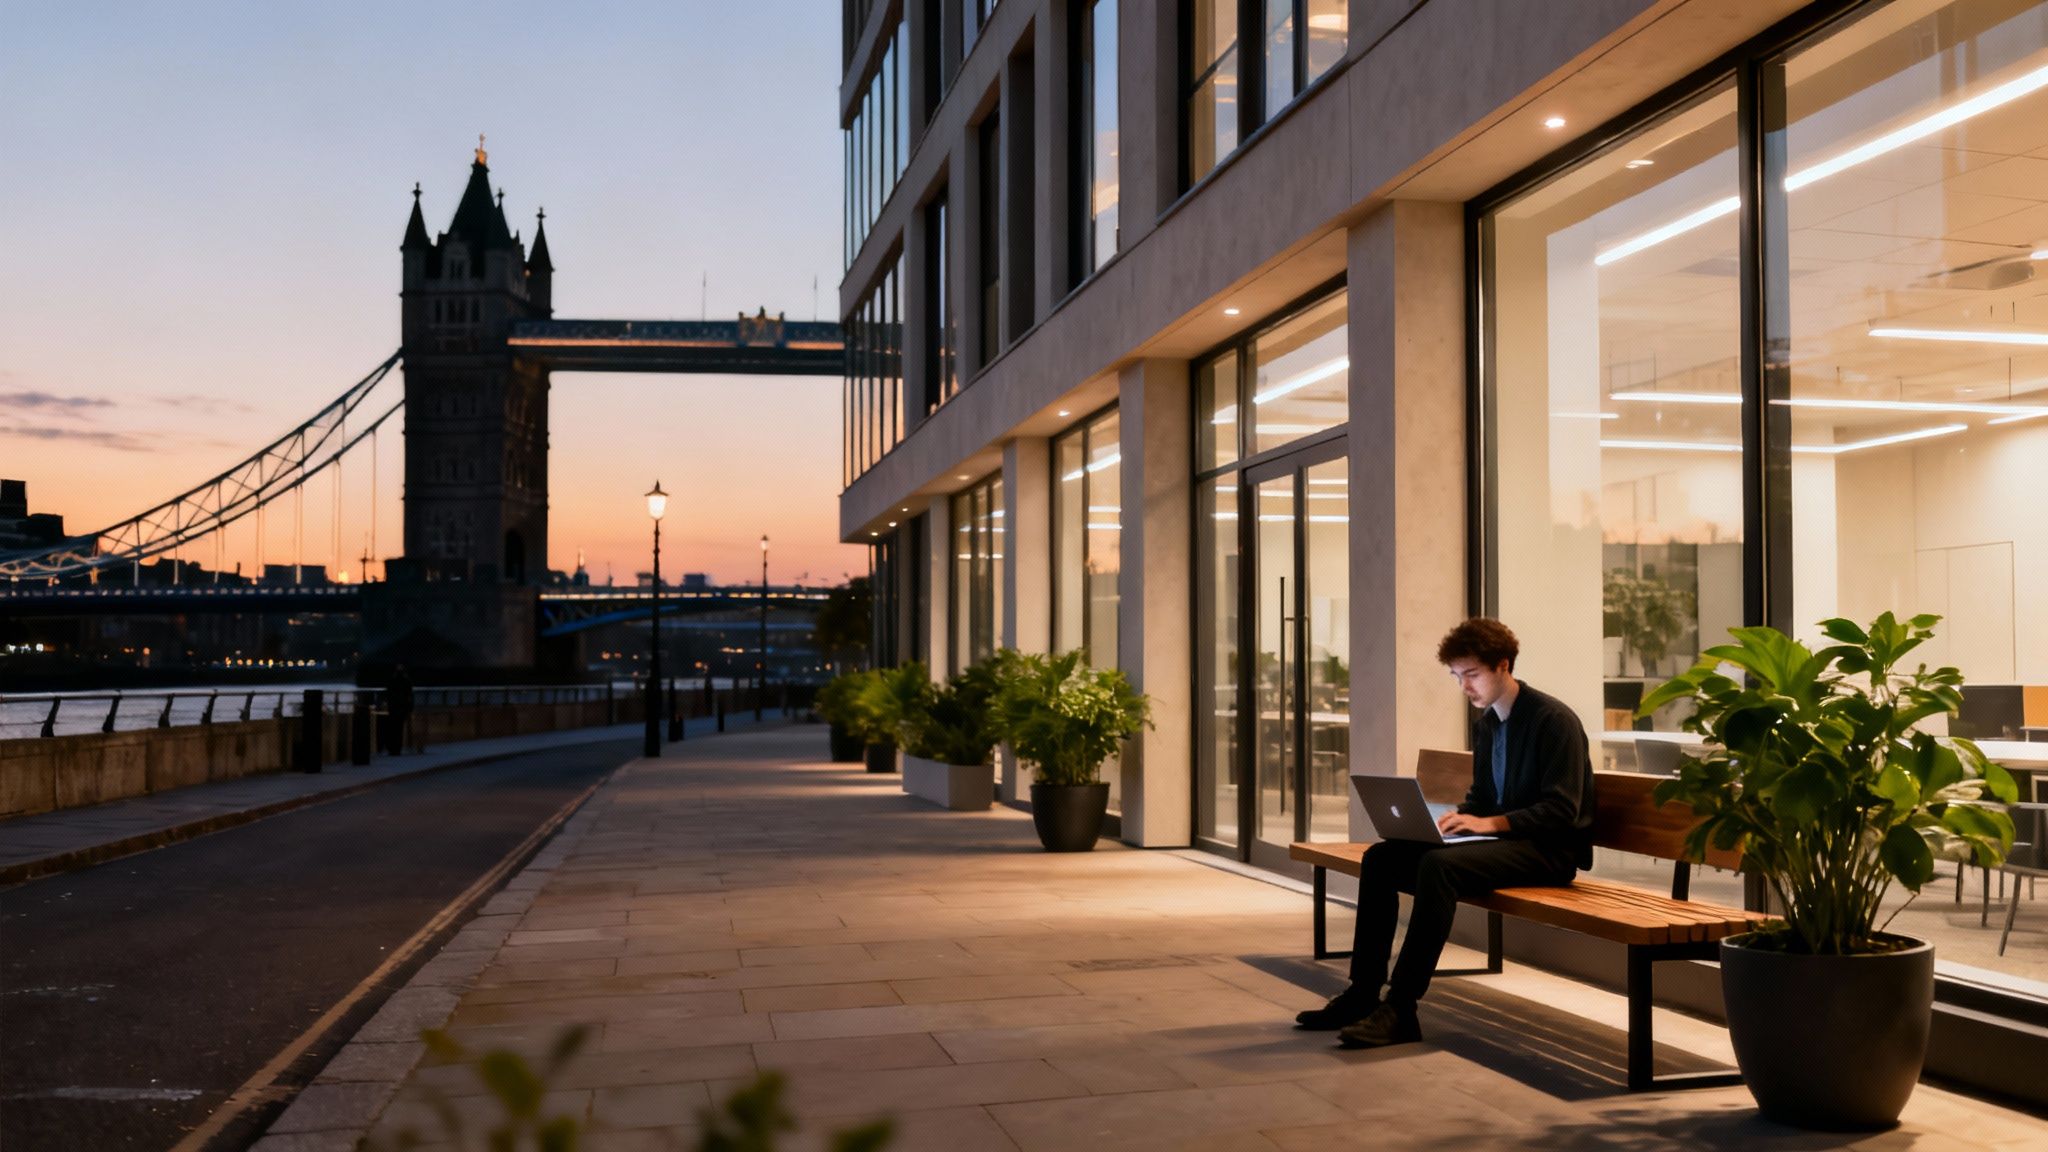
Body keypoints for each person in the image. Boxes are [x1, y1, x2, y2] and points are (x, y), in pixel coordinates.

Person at [1294, 617, 1595, 1048]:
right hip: (1503, 843)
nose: (1465, 687)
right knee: (1382, 858)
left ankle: (1401, 1007)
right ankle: (1362, 993)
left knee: (1438, 867)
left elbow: (1563, 810)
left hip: (1548, 851)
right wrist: (1455, 819)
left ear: (1503, 666)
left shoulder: (1553, 721)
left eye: (1472, 675)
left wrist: (1489, 823)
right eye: (1457, 677)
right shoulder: (1490, 722)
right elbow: (1484, 797)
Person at [385, 664, 415, 756]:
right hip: (402, 708)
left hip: (393, 707)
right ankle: (397, 748)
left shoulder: (391, 681)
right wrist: (409, 708)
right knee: (399, 729)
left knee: (392, 729)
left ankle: (391, 748)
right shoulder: (407, 681)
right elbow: (410, 696)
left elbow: (388, 694)